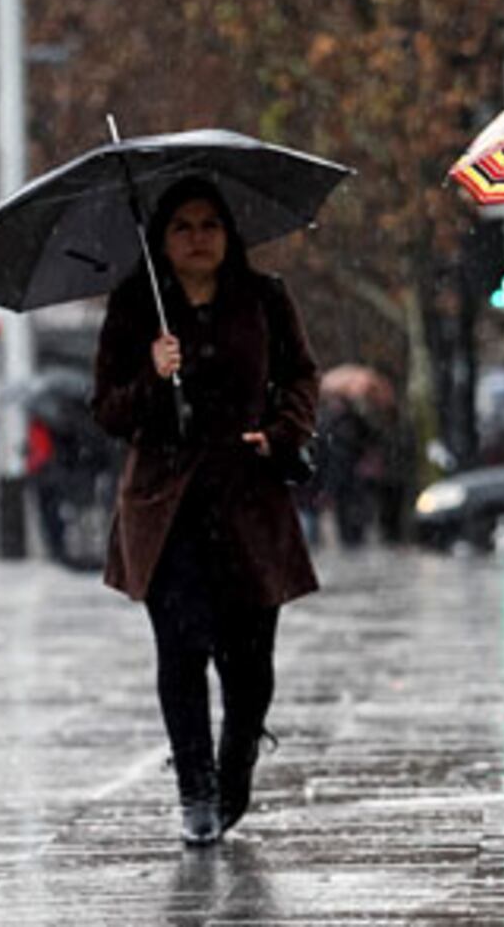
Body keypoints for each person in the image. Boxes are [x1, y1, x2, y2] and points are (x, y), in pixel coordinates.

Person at [92, 175, 320, 847]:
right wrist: (153, 379)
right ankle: (195, 787)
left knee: (250, 664)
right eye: (183, 227)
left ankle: (236, 763)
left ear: (229, 232)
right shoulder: (137, 307)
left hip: (249, 499)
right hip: (168, 508)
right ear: (161, 239)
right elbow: (107, 408)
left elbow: (302, 376)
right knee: (182, 650)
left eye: (210, 224)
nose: (198, 238)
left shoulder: (265, 298)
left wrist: (282, 433)